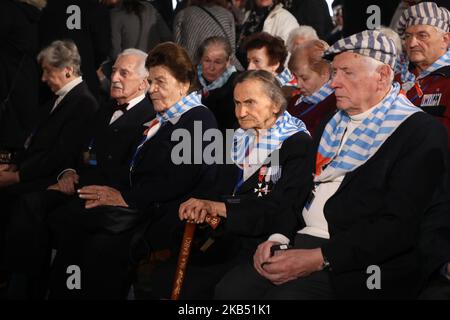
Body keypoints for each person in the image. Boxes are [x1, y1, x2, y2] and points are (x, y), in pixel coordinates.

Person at [215, 30, 448, 299]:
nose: (334, 82)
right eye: (334, 72)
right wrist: (277, 237)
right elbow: (296, 191)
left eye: (347, 73)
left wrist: (320, 257)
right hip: (299, 240)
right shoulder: (331, 122)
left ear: (382, 76)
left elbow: (399, 226)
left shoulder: (419, 132)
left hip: (359, 262)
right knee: (230, 290)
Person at [46, 42, 218, 299]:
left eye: (161, 82)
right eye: (151, 81)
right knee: (72, 221)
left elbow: (179, 181)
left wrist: (124, 197)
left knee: (98, 242)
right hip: (144, 206)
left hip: (171, 218)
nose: (153, 90)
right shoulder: (166, 118)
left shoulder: (199, 119)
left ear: (183, 83)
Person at [145, 70, 313, 299]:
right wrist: (202, 206)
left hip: (261, 241)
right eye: (237, 103)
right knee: (163, 277)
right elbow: (218, 186)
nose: (241, 112)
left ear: (275, 104)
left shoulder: (296, 143)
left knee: (204, 289)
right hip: (223, 235)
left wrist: (218, 207)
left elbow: (280, 207)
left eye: (250, 103)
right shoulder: (238, 133)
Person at [4, 48, 155, 299]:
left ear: (143, 83)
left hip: (108, 201)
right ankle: (25, 287)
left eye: (124, 73)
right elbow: (78, 151)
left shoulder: (149, 118)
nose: (115, 77)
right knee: (30, 204)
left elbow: (132, 174)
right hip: (78, 187)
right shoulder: (105, 109)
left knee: (66, 226)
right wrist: (69, 172)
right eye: (114, 70)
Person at [395, 2, 450, 148]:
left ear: (445, 40)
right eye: (408, 36)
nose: (412, 43)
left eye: (422, 35)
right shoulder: (396, 80)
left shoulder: (447, 81)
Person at [287, 40, 336, 137]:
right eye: (296, 78)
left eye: (304, 78)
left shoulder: (334, 105)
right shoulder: (294, 101)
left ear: (325, 73)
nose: (298, 85)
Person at [173, 0, 241, 69]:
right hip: (224, 69)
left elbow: (178, 51)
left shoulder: (182, 14)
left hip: (193, 69)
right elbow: (232, 49)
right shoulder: (227, 15)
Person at [196, 36, 239, 132]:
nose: (211, 68)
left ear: (228, 62)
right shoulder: (190, 79)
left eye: (217, 62)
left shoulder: (237, 86)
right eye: (207, 60)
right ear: (200, 60)